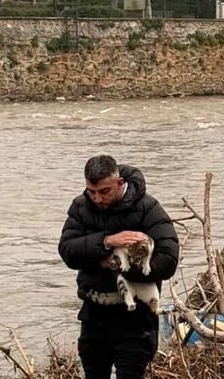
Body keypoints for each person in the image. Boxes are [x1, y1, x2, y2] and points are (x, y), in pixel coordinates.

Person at [58, 155, 179, 379]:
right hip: (94, 315)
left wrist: (119, 268)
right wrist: (106, 242)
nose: (97, 198)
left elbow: (168, 261)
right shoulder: (80, 206)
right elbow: (67, 251)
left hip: (136, 319)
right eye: (91, 192)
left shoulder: (148, 209)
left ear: (120, 183)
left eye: (104, 191)